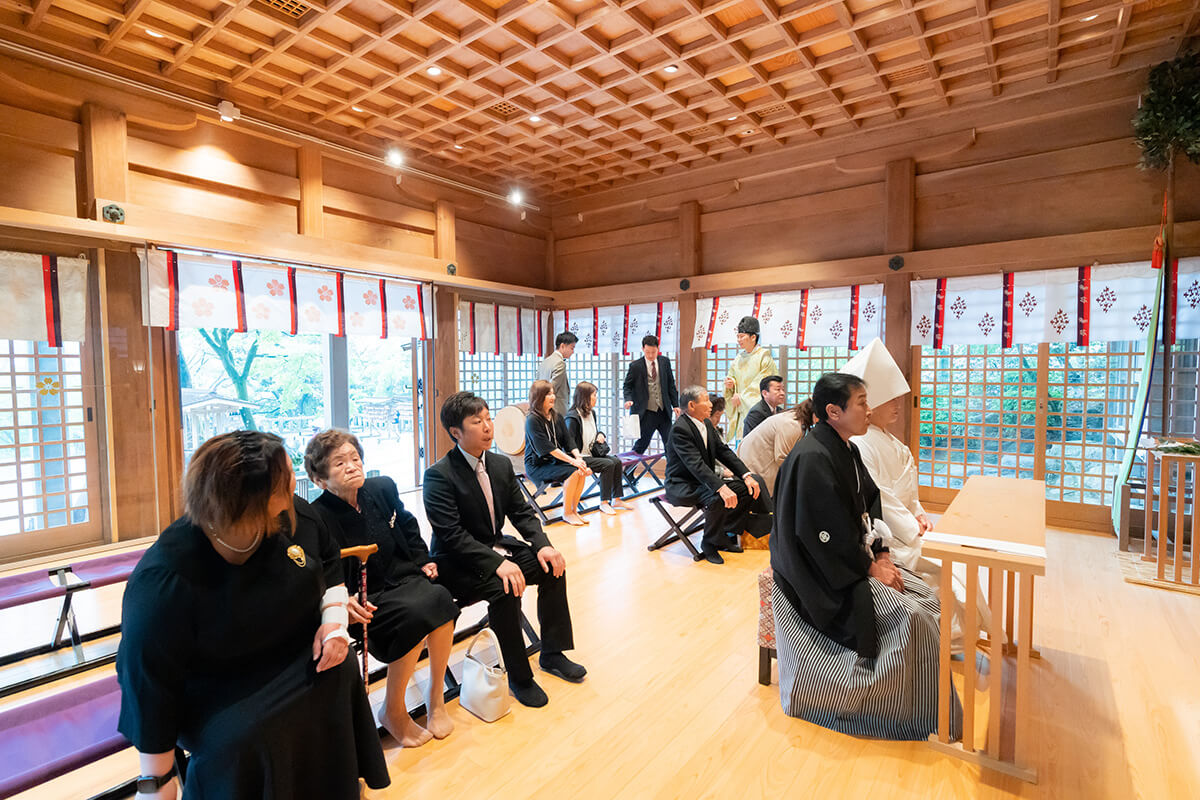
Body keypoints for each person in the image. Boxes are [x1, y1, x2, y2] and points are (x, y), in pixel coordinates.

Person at [117, 431, 389, 800]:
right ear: (249, 499)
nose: (294, 479)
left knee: (338, 671)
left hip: (287, 661)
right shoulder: (165, 581)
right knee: (252, 732)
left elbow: (328, 563)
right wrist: (157, 782)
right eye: (285, 475)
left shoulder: (288, 520)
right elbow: (147, 681)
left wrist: (334, 622)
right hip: (215, 692)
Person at [769, 372, 961, 740]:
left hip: (851, 557)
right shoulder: (812, 458)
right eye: (862, 403)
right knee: (915, 618)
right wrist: (869, 567)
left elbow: (869, 503)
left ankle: (928, 704)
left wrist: (883, 553)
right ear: (833, 411)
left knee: (927, 598)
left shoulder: (847, 449)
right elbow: (820, 536)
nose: (869, 411)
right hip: (817, 573)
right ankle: (907, 713)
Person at [424, 391, 585, 708]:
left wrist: (544, 546)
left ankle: (552, 652)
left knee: (554, 566)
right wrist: (497, 563)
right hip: (456, 562)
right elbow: (452, 535)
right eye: (476, 421)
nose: (487, 427)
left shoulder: (498, 464)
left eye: (488, 418)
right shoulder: (438, 475)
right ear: (456, 432)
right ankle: (519, 676)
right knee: (505, 587)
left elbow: (522, 513)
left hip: (493, 549)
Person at [306, 429, 460, 748]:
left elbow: (406, 523)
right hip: (365, 598)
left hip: (403, 576)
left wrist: (422, 559)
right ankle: (393, 710)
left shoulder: (381, 488)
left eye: (355, 458)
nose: (352, 466)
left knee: (441, 598)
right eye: (339, 463)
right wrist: (339, 599)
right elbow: (315, 570)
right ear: (319, 479)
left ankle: (435, 700)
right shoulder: (316, 517)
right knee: (418, 612)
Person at [840, 338, 989, 648]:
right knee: (951, 565)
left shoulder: (889, 441)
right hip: (889, 538)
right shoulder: (861, 445)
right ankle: (940, 637)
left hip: (905, 528)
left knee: (961, 562)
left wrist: (919, 512)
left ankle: (951, 635)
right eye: (891, 399)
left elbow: (905, 491)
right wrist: (912, 527)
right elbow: (880, 498)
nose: (898, 405)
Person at [664, 385, 773, 564]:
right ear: (691, 405)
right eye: (705, 400)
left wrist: (745, 475)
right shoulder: (680, 429)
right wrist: (721, 486)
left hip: (702, 482)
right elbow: (696, 465)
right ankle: (709, 543)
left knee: (746, 489)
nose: (710, 404)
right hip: (682, 485)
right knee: (717, 497)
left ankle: (724, 533)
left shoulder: (706, 423)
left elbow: (723, 451)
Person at [525, 379, 591, 526]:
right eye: (548, 394)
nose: (553, 397)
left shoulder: (556, 416)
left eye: (553, 393)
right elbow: (547, 448)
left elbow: (568, 441)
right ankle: (567, 513)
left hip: (553, 461)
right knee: (574, 472)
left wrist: (579, 458)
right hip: (537, 465)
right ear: (538, 397)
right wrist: (573, 461)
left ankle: (574, 511)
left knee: (580, 470)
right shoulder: (532, 420)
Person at [565, 382, 634, 514]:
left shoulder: (592, 413)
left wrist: (600, 434)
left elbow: (593, 432)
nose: (596, 398)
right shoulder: (572, 417)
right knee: (607, 464)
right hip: (579, 458)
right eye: (594, 395)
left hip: (590, 454)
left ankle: (617, 499)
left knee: (616, 461)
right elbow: (569, 443)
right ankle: (604, 502)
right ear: (584, 397)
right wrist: (577, 459)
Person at [737, 398, 814, 495]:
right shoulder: (792, 424)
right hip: (757, 466)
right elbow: (782, 458)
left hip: (752, 461)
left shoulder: (792, 416)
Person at [723, 316, 779, 440]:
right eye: (737, 336)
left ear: (753, 337)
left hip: (758, 411)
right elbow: (732, 376)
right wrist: (730, 384)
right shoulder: (738, 358)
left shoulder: (764, 356)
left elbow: (763, 383)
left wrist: (742, 397)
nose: (739, 340)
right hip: (742, 410)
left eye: (742, 336)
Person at [622, 334, 679, 453]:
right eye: (647, 352)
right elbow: (627, 386)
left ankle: (672, 472)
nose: (651, 355)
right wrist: (628, 399)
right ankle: (628, 472)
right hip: (646, 412)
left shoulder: (665, 362)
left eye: (654, 352)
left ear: (658, 349)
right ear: (643, 349)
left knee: (670, 444)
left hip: (664, 411)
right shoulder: (635, 366)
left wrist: (676, 405)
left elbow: (671, 385)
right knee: (642, 444)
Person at [539, 331, 577, 416]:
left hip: (543, 408)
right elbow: (552, 389)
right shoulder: (560, 363)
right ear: (562, 346)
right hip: (556, 409)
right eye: (572, 348)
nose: (573, 352)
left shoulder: (545, 361)